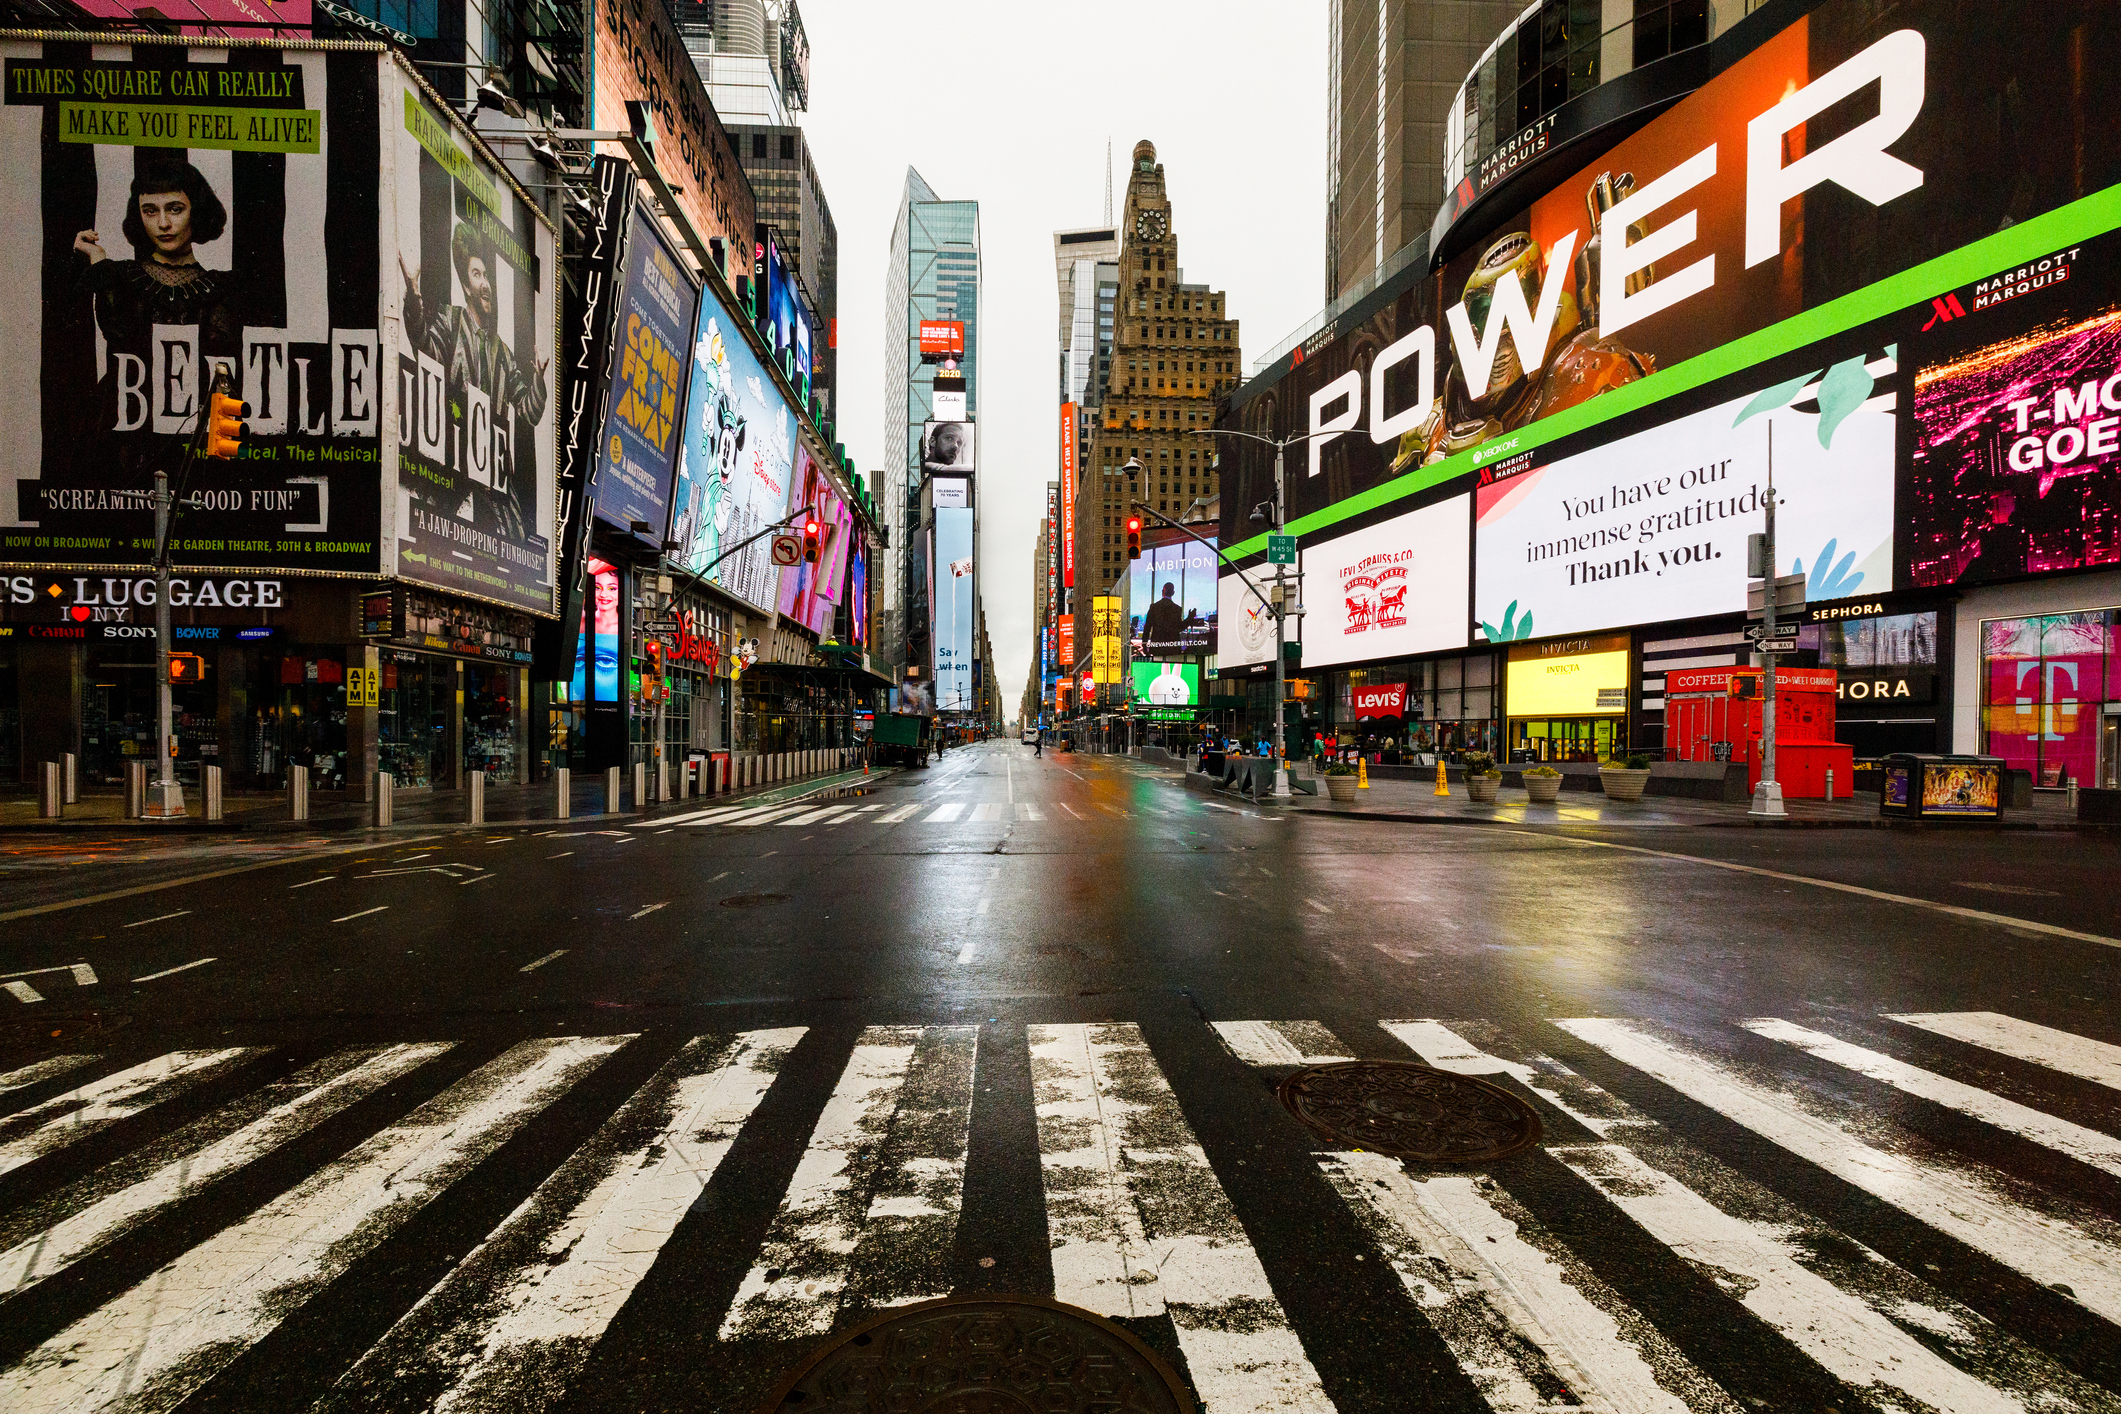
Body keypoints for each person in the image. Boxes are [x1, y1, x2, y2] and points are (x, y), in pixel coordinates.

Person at [400, 224, 551, 539]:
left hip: (492, 474)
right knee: (427, 536)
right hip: (452, 463)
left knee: (516, 541)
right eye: (476, 275)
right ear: (466, 286)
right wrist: (413, 303)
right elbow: (425, 345)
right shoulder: (449, 321)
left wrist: (538, 378)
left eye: (486, 276)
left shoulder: (503, 353)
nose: (486, 284)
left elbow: (528, 411)